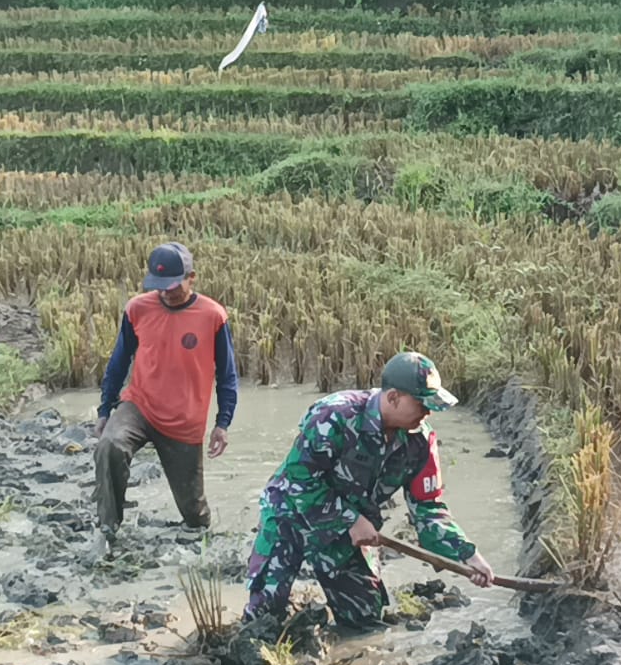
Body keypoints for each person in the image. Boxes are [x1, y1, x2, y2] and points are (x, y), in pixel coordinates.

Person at [243, 351, 496, 630]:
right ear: (393, 397)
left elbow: (428, 508)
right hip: (291, 516)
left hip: (347, 535)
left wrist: (468, 555)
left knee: (365, 620)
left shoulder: (420, 443)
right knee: (263, 618)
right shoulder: (334, 416)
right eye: (421, 404)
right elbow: (298, 481)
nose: (427, 412)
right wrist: (350, 519)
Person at [94, 242, 237, 542]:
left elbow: (227, 375)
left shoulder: (213, 316)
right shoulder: (137, 309)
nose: (166, 293)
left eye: (172, 286)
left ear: (191, 277)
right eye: (159, 286)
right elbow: (118, 363)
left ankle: (196, 534)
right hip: (140, 407)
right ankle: (108, 529)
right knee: (110, 446)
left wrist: (222, 424)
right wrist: (105, 410)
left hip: (183, 421)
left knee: (195, 520)